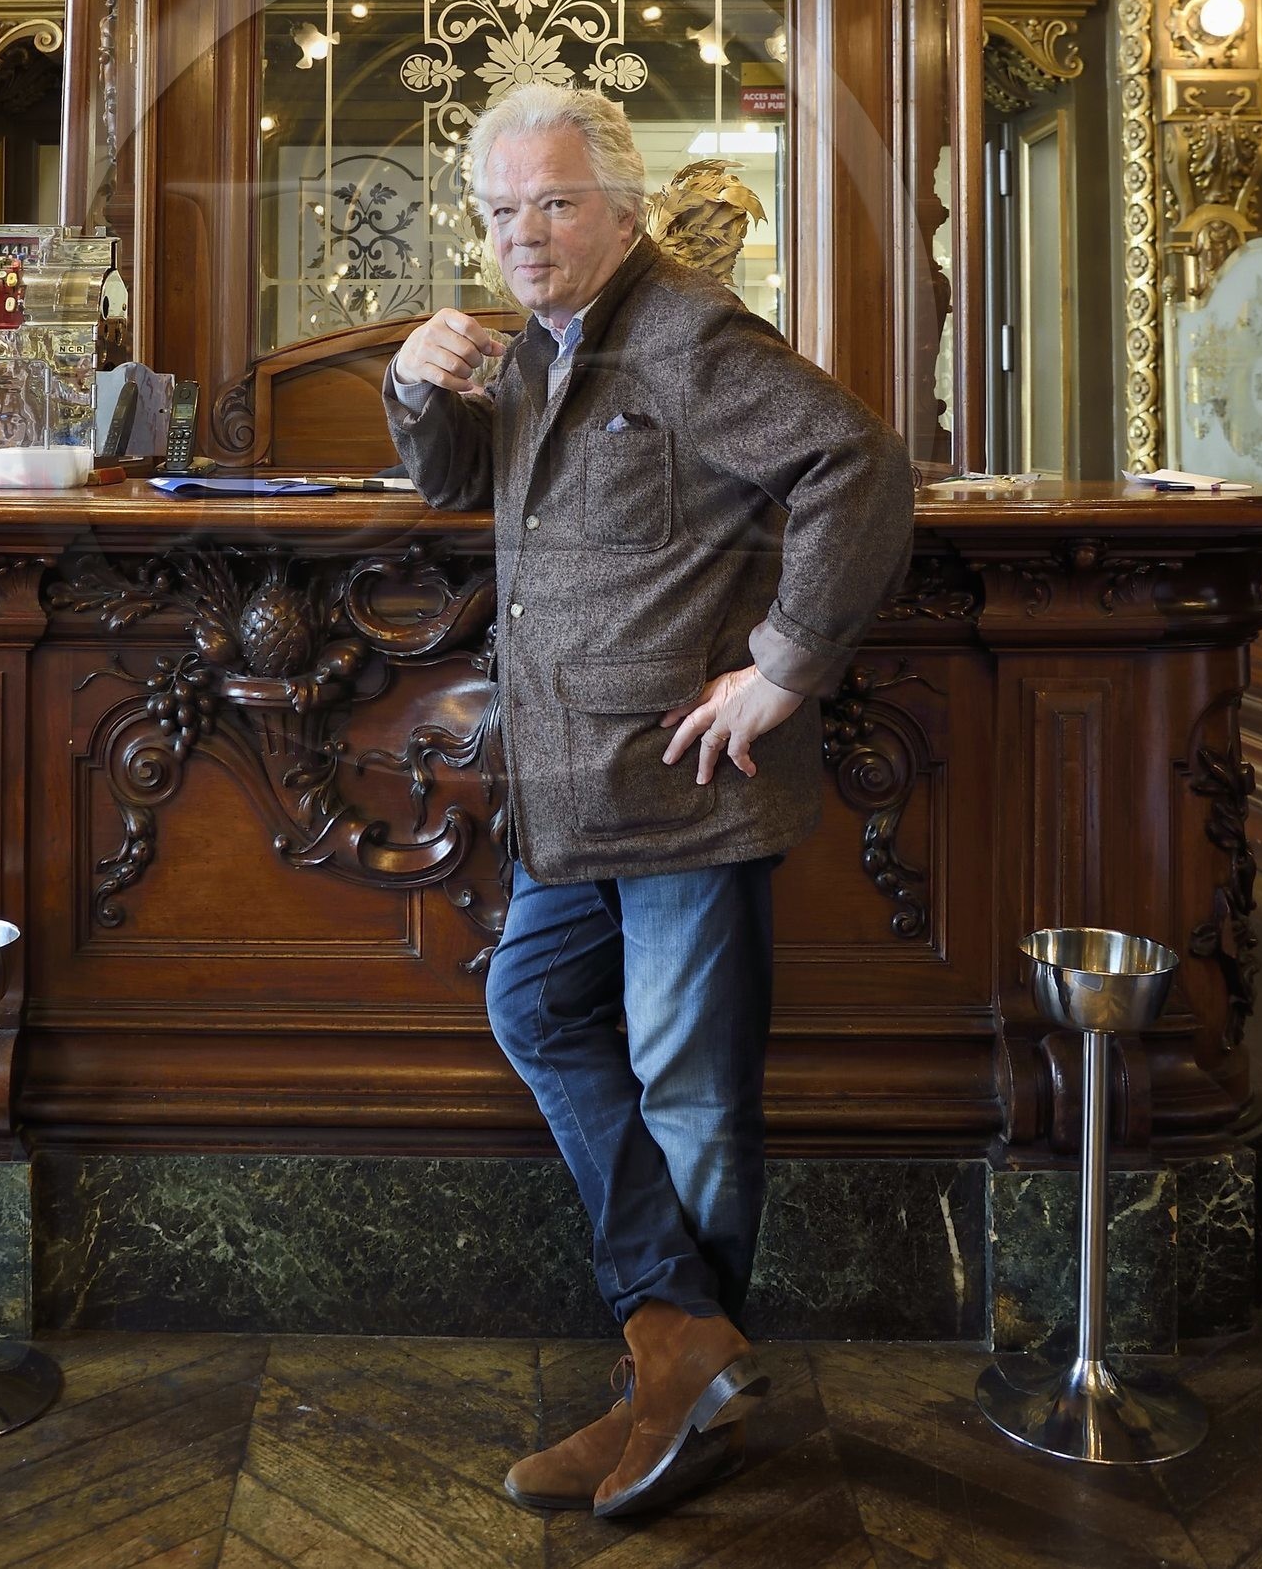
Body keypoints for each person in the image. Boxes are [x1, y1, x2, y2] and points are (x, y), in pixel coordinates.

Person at [383, 84, 914, 1520]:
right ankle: (677, 1342)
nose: (526, 235)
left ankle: (685, 1400)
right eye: (501, 211)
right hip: (573, 781)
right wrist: (418, 386)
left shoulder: (682, 325)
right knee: (537, 1006)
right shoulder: (549, 345)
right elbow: (450, 488)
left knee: (689, 1096)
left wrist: (782, 671)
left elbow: (857, 462)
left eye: (553, 203)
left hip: (682, 785)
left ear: (619, 206)